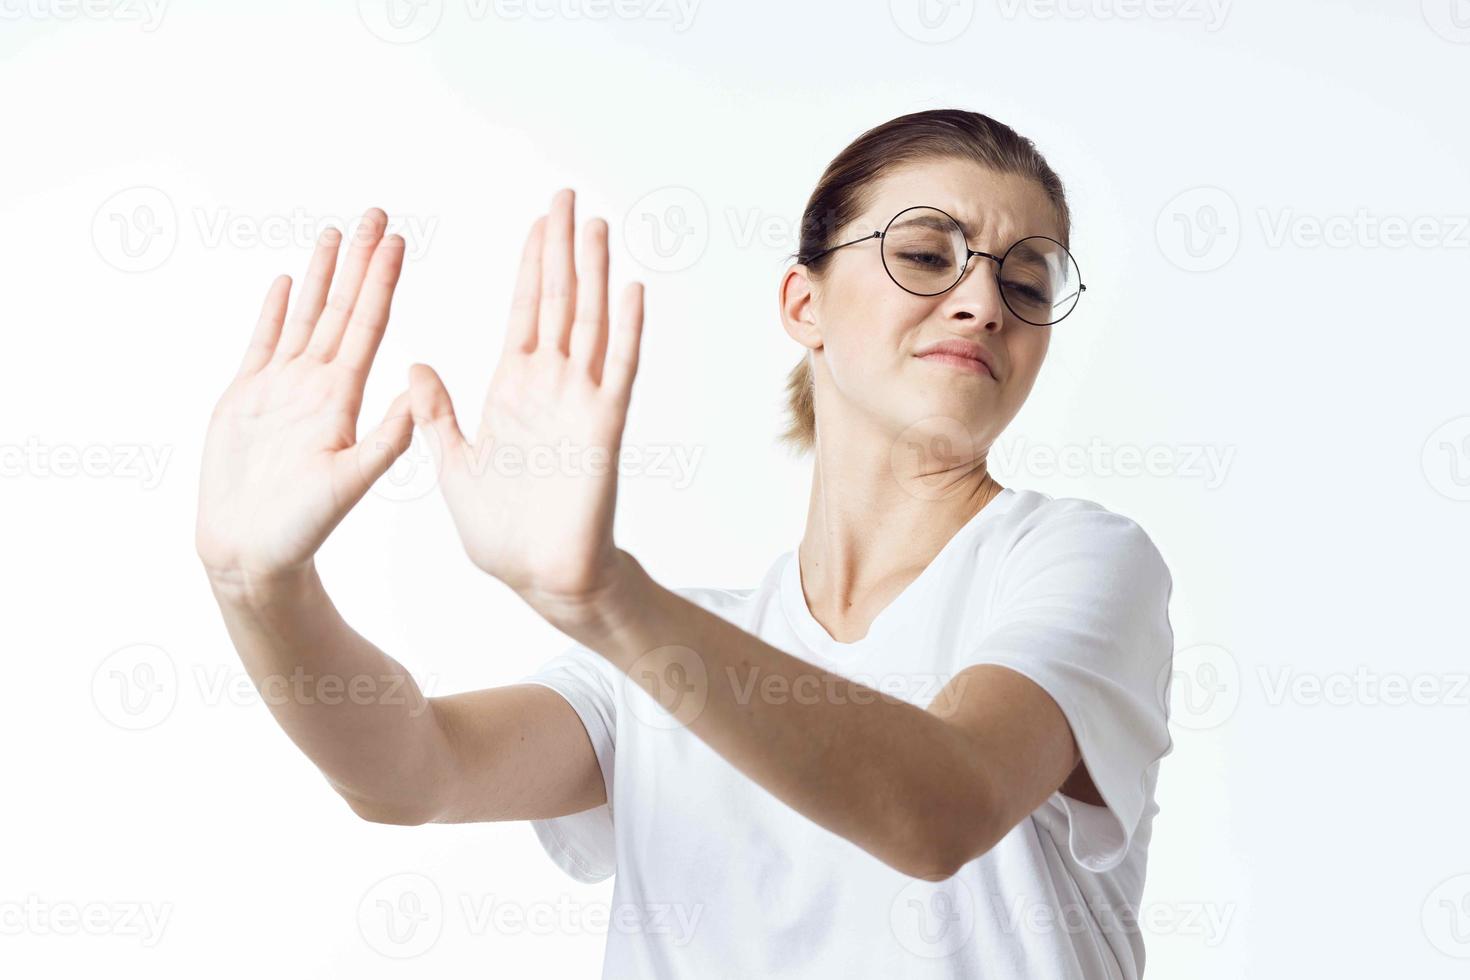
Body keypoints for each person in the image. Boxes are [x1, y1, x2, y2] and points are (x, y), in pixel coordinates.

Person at [195, 108, 1176, 979]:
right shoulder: (667, 654)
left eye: (1027, 278)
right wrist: (261, 591)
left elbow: (943, 805)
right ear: (804, 304)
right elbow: (410, 771)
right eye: (927, 254)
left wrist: (610, 599)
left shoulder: (1073, 562)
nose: (984, 302)